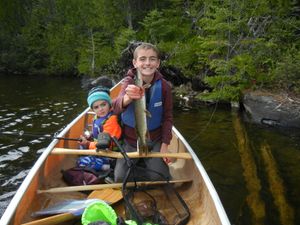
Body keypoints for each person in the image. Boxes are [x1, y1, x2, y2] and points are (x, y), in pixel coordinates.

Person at [113, 42, 173, 182]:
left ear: (158, 63)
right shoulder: (129, 82)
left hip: (155, 139)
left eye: (152, 59)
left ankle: (143, 165)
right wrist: (127, 98)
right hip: (130, 141)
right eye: (142, 59)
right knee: (120, 178)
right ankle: (140, 164)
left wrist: (165, 145)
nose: (147, 63)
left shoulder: (164, 87)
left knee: (161, 178)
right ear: (135, 63)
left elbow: (168, 117)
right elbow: (115, 107)